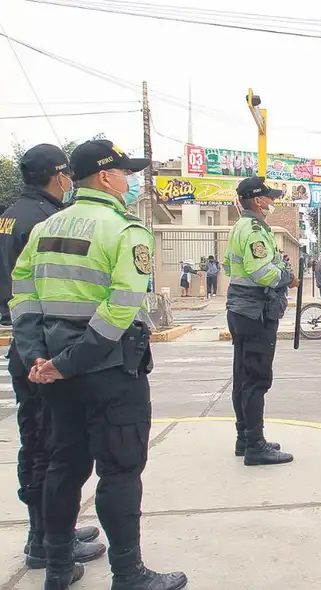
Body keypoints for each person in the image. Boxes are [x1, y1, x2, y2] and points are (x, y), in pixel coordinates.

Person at [10, 139, 186, 589]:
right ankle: (128, 573)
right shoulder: (125, 230)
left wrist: (38, 358)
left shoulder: (46, 228)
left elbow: (24, 298)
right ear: (106, 177)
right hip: (108, 371)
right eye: (125, 173)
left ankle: (57, 569)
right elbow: (121, 306)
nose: (130, 181)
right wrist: (71, 362)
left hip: (53, 371)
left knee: (62, 467)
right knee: (120, 470)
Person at [0, 144, 107, 572]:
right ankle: (44, 540)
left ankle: (49, 526)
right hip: (42, 344)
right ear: (60, 176)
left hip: (22, 337)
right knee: (50, 443)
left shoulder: (11, 213)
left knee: (37, 437)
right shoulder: (46, 220)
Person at [222, 176, 296, 466]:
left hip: (241, 309)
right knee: (256, 378)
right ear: (256, 200)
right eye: (269, 197)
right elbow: (260, 271)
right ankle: (255, 444)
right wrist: (287, 278)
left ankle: (245, 437)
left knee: (242, 376)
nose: (272, 202)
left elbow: (230, 265)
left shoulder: (240, 226)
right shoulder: (254, 230)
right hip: (255, 312)